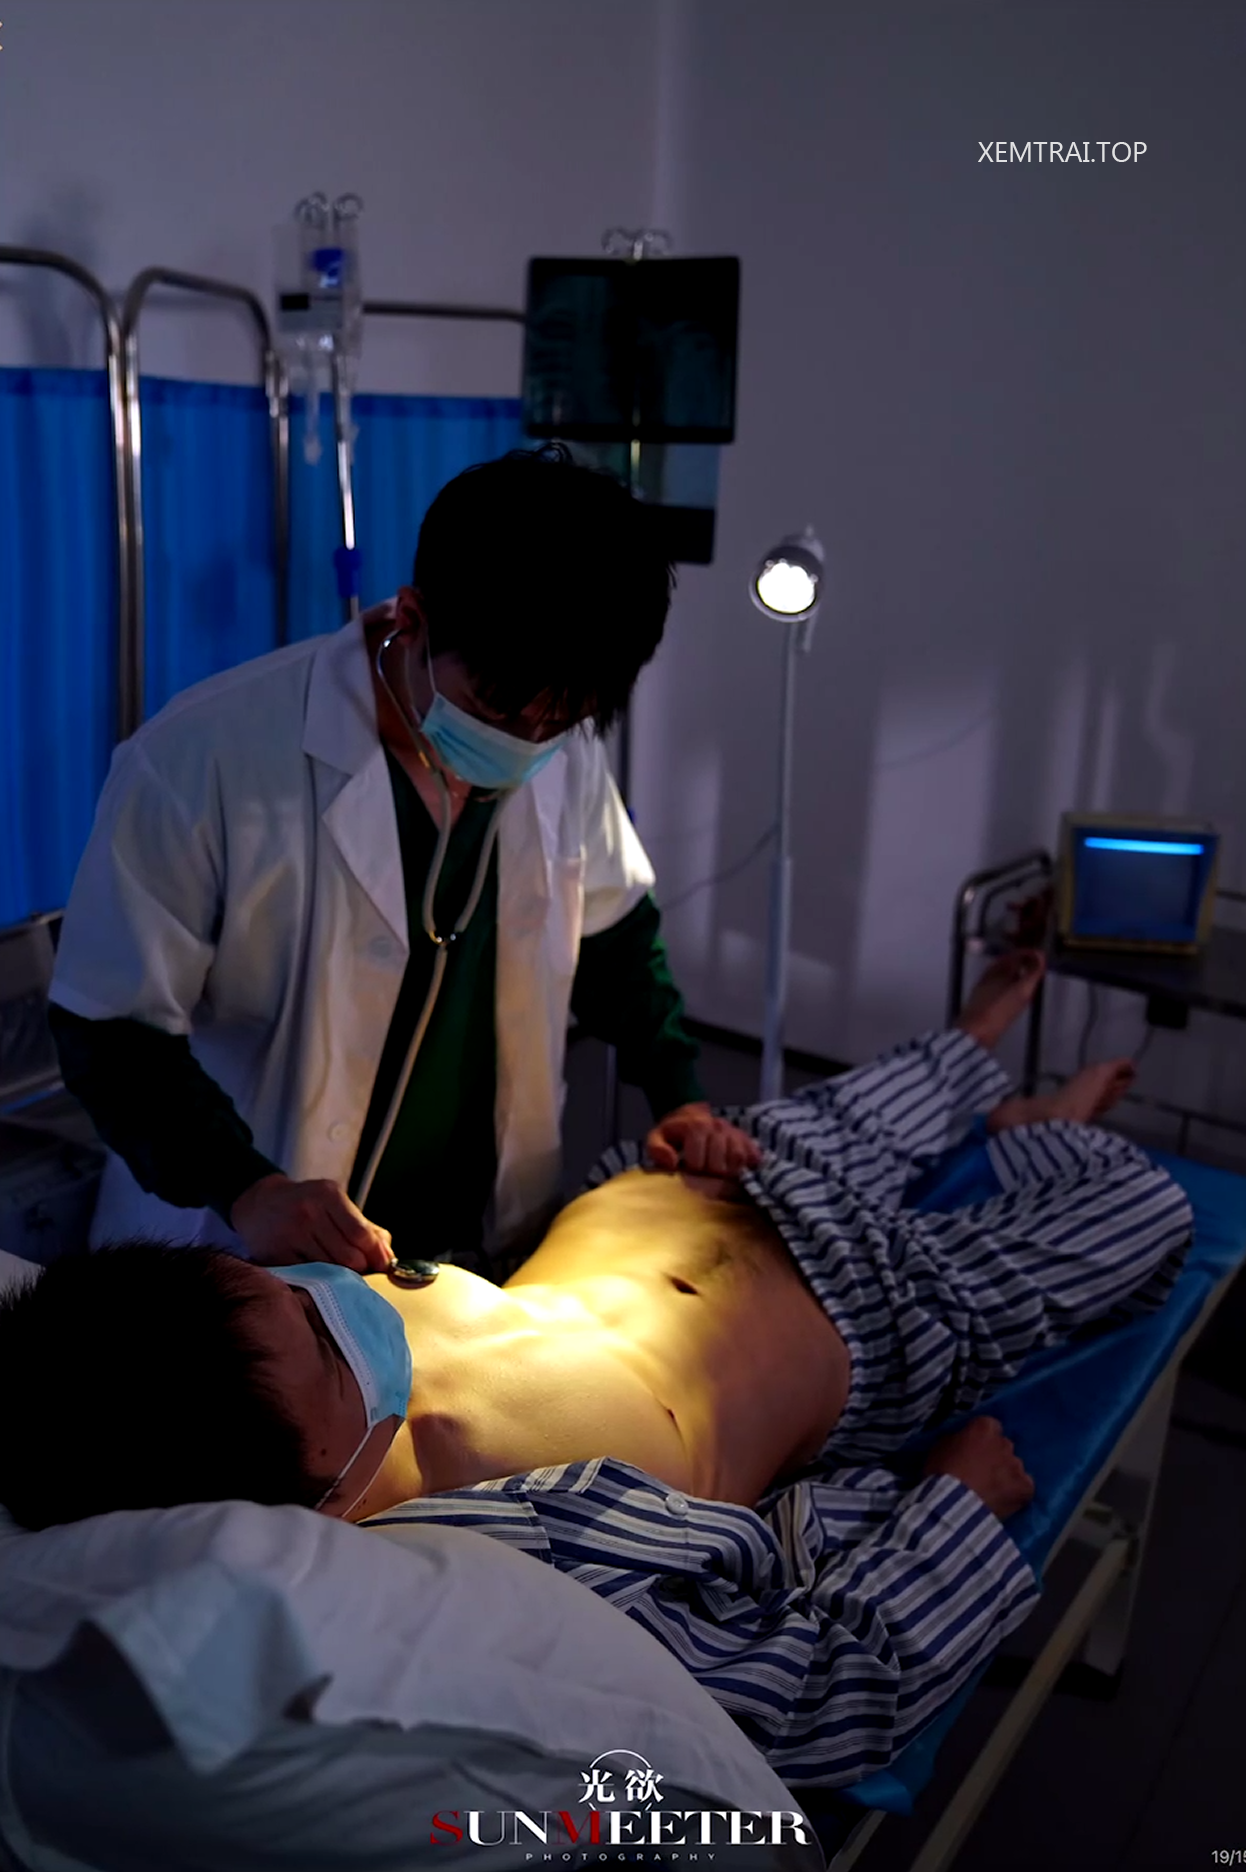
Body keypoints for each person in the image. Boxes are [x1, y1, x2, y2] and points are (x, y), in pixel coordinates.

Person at [0, 953, 1193, 1787]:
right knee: (1142, 1209)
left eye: (277, 1283)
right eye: (315, 1332)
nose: (327, 1293)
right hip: (882, 1315)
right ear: (313, 1485)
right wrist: (954, 1508)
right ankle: (1037, 1131)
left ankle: (973, 1054)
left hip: (683, 1180)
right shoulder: (492, 1569)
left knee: (844, 1110)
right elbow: (815, 1702)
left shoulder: (254, 1346)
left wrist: (675, 1150)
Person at [47, 446, 758, 1275]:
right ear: (412, 621)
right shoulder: (201, 758)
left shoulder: (558, 740)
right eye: (495, 711)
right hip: (247, 1239)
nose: (526, 744)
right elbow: (112, 1031)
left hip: (481, 1242)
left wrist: (678, 1094)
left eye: (559, 721)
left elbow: (615, 939)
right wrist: (246, 1186)